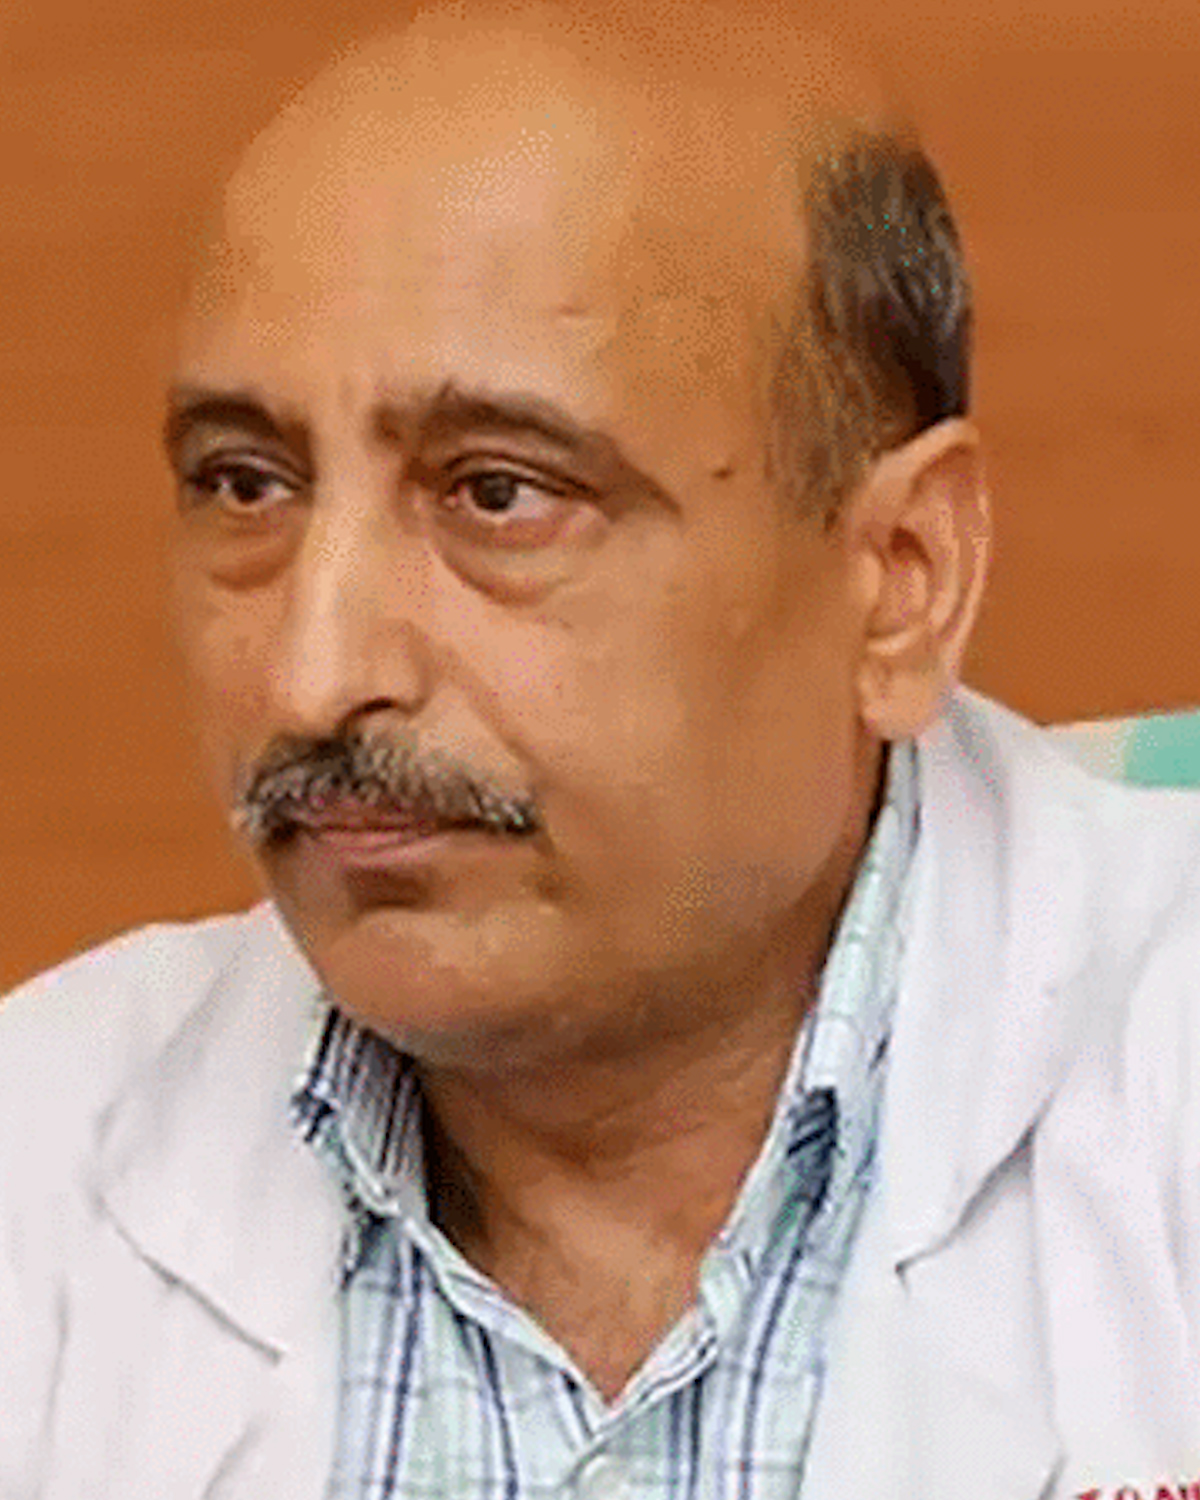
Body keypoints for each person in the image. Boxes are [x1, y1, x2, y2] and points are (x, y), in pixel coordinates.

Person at [2, 1, 1198, 1495]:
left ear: (900, 580)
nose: (314, 680)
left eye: (498, 494)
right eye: (247, 485)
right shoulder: (38, 1152)